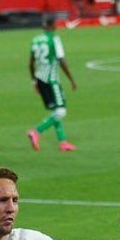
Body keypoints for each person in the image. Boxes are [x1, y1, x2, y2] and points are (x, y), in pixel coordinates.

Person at [26, 15, 78, 153]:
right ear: (52, 25)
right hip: (51, 79)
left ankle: (63, 142)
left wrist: (34, 81)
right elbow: (61, 60)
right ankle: (36, 132)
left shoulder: (35, 40)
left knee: (55, 111)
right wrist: (71, 79)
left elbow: (30, 63)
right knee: (61, 111)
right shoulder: (54, 39)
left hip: (40, 78)